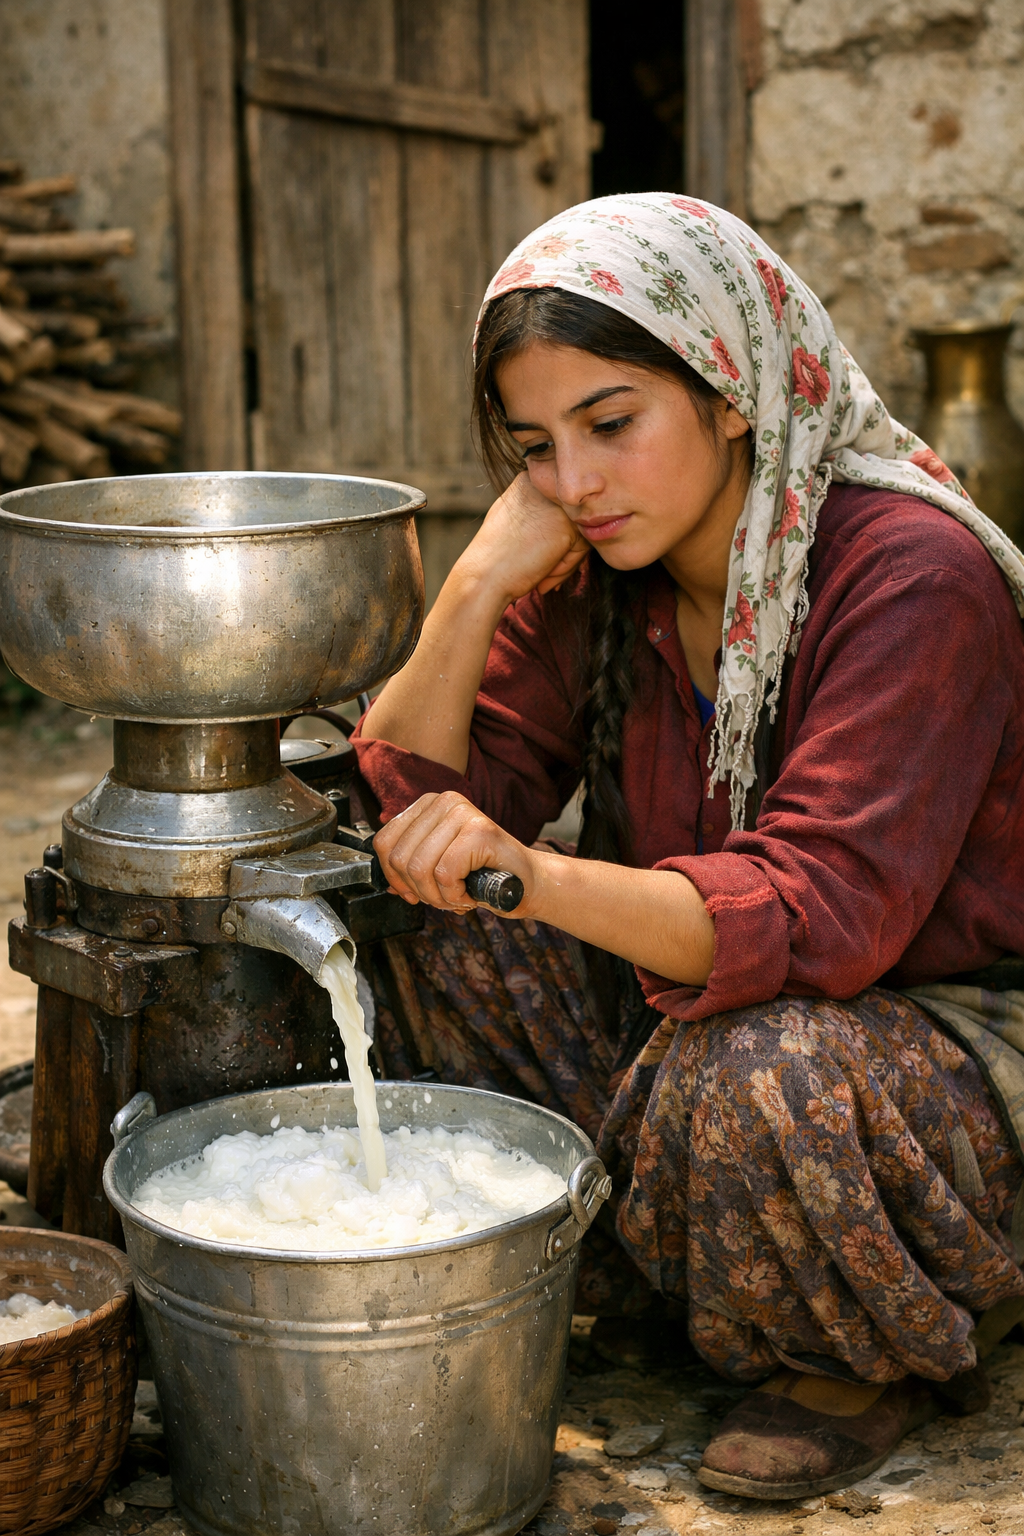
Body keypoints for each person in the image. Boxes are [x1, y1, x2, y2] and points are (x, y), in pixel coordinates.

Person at [353, 193, 1024, 1500]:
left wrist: (537, 874)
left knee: (761, 1067)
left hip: (938, 1040)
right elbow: (415, 795)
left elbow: (816, 918)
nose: (575, 482)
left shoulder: (911, 576)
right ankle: (698, 1277)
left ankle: (875, 1330)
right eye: (535, 447)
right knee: (428, 921)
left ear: (734, 389)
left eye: (610, 424)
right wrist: (481, 578)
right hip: (706, 1019)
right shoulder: (603, 561)